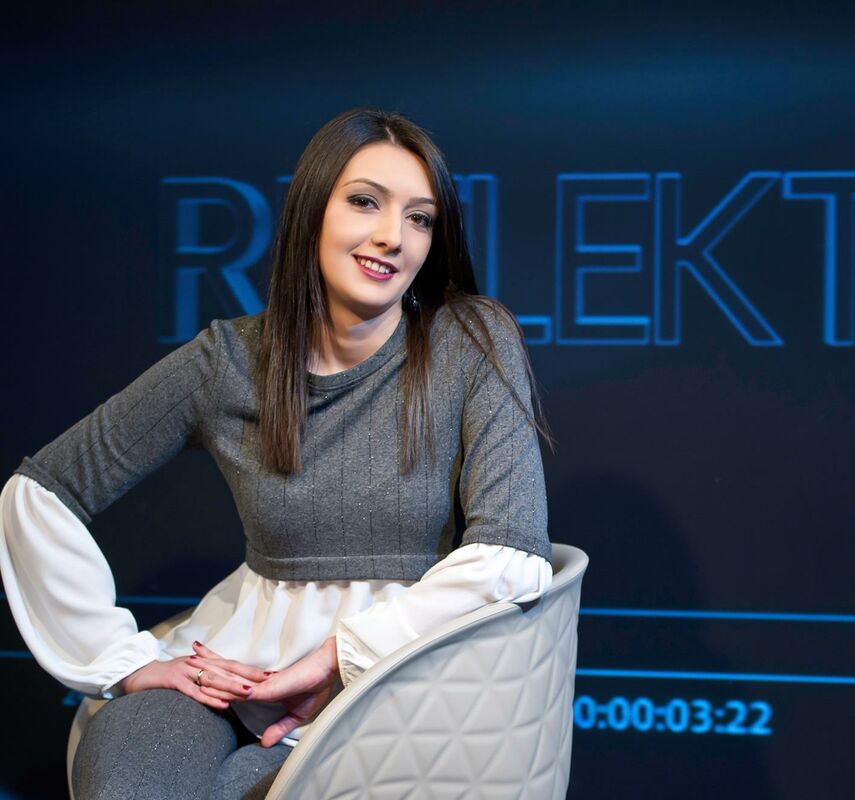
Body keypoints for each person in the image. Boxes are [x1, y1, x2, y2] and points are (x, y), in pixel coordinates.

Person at [0, 107, 554, 799]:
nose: (394, 236)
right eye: (365, 202)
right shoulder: (229, 360)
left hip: (396, 687)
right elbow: (40, 492)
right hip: (231, 683)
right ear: (311, 212)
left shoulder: (471, 339)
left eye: (420, 218)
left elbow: (512, 555)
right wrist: (120, 661)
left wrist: (339, 655)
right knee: (126, 775)